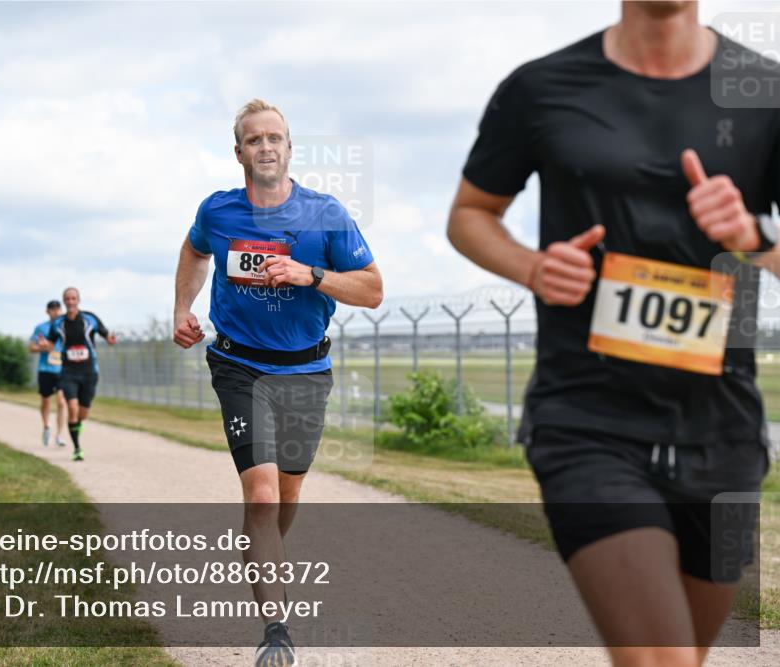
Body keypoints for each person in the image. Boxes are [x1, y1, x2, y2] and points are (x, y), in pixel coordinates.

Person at [447, 2, 778, 664]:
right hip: (588, 418)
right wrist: (534, 267)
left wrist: (754, 236)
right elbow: (470, 215)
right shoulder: (540, 87)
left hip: (722, 427)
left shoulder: (763, 93)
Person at [172, 98, 382, 666]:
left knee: (287, 492)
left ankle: (267, 551)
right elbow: (194, 251)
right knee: (261, 494)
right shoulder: (217, 212)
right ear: (238, 151)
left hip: (307, 370)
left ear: (290, 148)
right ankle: (276, 631)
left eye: (275, 138)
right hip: (239, 365)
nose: (266, 147)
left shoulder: (326, 213)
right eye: (254, 139)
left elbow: (372, 289)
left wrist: (310, 274)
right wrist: (181, 309)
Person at [39, 287, 116, 461]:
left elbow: (106, 335)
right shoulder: (58, 323)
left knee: (83, 414)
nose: (70, 302)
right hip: (68, 372)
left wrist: (110, 339)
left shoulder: (90, 318)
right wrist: (45, 345)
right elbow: (51, 344)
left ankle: (77, 425)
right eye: (67, 299)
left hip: (89, 372)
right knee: (71, 408)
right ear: (64, 301)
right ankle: (77, 448)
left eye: (73, 298)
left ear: (78, 300)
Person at [29, 300, 69, 447]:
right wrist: (42, 348)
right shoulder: (41, 328)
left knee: (61, 401)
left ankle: (60, 435)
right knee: (46, 401)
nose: (55, 311)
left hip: (62, 369)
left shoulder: (66, 327)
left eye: (58, 308)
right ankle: (46, 426)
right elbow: (31, 347)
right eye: (52, 309)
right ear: (47, 311)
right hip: (45, 369)